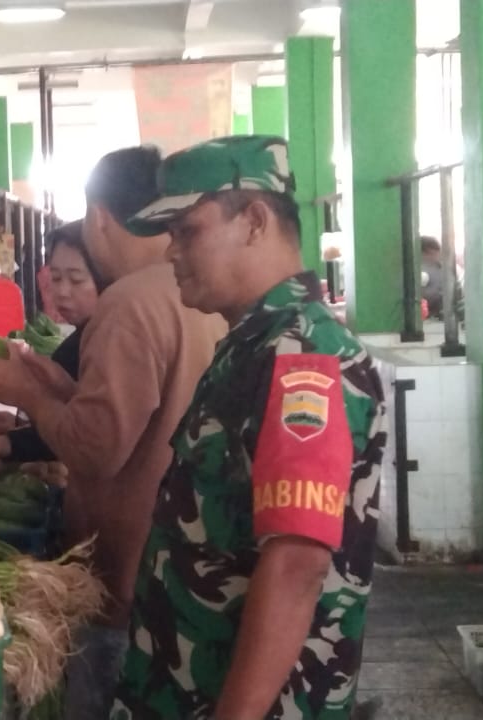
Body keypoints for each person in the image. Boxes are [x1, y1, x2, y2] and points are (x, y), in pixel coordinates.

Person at [109, 136, 387, 719]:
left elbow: (295, 566)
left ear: (255, 221)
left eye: (188, 231)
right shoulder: (255, 346)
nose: (171, 253)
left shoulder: (302, 357)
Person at [0, 146, 228, 719]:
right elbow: (142, 415)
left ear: (99, 216)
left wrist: (26, 394)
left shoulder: (129, 303)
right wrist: (49, 379)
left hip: (126, 572)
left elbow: (96, 449)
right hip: (182, 566)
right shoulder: (196, 295)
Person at [0, 220, 105, 476]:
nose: (62, 292)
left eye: (76, 280)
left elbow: (94, 436)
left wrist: (26, 400)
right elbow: (65, 425)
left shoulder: (110, 347)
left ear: (105, 278)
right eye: (55, 278)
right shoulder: (68, 350)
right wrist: (18, 431)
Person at [420, 235, 464, 319]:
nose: (435, 256)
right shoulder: (412, 270)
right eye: (430, 254)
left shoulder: (446, 271)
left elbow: (457, 294)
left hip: (440, 315)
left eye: (435, 253)